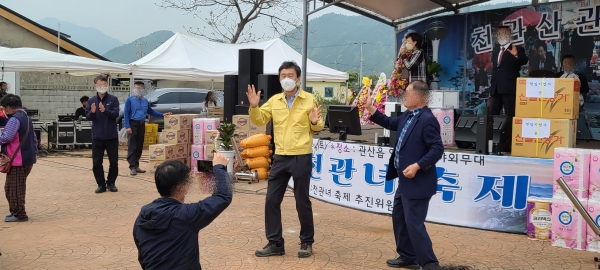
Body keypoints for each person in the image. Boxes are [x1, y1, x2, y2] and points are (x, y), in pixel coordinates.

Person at [247, 61, 324, 258]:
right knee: (271, 200)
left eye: (290, 75)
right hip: (280, 156)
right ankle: (275, 243)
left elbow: (319, 125)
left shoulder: (309, 99)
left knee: (301, 201)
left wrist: (314, 122)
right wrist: (254, 107)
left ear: (298, 78)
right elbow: (259, 120)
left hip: (301, 155)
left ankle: (307, 241)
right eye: (282, 76)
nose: (286, 79)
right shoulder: (275, 100)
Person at [365, 81, 444, 270]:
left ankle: (430, 264)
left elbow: (437, 149)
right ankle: (408, 256)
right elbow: (389, 123)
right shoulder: (408, 115)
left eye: (407, 92)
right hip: (404, 182)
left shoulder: (427, 119)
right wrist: (371, 108)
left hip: (418, 182)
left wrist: (417, 166)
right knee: (399, 219)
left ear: (419, 96)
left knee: (414, 225)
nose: (403, 95)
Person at [133, 153, 232, 270]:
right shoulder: (186, 216)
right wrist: (218, 167)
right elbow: (222, 196)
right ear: (182, 187)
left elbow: (144, 257)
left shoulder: (141, 218)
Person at [489, 26, 528, 152]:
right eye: (499, 33)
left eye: (504, 33)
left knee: (510, 117)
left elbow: (524, 60)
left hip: (510, 88)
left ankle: (508, 144)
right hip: (496, 89)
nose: (501, 35)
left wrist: (516, 56)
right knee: (491, 116)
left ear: (510, 35)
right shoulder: (496, 51)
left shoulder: (517, 49)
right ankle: (491, 143)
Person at [0, 94, 37, 222]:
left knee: (15, 189)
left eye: (4, 108)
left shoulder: (14, 119)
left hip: (18, 160)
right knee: (12, 187)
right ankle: (15, 211)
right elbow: (34, 139)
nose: (4, 111)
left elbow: (6, 137)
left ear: (9, 107)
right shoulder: (26, 117)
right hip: (26, 159)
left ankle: (20, 214)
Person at [124, 81, 171, 175]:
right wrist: (127, 126)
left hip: (142, 124)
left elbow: (151, 111)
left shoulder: (145, 100)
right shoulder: (129, 100)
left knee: (139, 146)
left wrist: (162, 115)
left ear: (143, 89)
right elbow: (126, 114)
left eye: (140, 87)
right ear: (134, 89)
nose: (139, 89)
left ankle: (136, 165)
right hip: (133, 124)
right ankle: (132, 166)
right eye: (137, 87)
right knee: (132, 146)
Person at [86, 75, 120, 193]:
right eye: (100, 85)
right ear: (95, 86)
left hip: (111, 136)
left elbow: (115, 114)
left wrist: (105, 111)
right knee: (96, 162)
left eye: (104, 85)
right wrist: (93, 112)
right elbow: (87, 117)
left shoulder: (113, 99)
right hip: (97, 137)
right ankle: (101, 184)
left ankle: (111, 182)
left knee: (114, 161)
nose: (102, 87)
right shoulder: (91, 101)